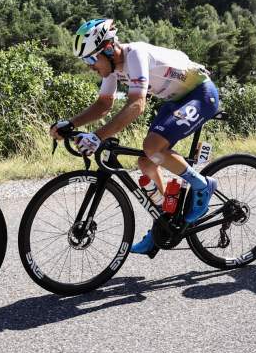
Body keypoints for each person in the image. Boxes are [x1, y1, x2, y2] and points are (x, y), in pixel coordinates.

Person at [50, 18, 221, 257]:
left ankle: (202, 185)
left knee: (152, 147)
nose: (90, 66)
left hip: (201, 94)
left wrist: (97, 137)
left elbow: (137, 104)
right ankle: (165, 222)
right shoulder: (113, 68)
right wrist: (71, 124)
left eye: (91, 59)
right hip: (176, 101)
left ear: (108, 49)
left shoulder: (135, 55)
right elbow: (103, 105)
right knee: (146, 162)